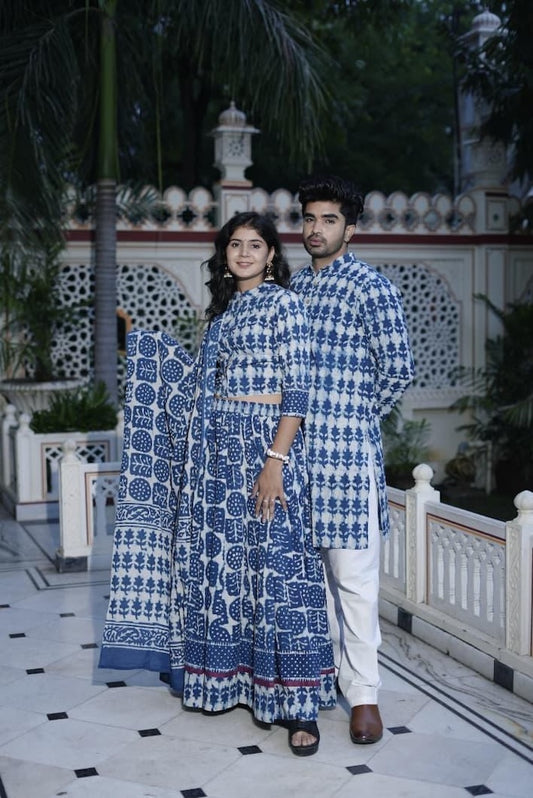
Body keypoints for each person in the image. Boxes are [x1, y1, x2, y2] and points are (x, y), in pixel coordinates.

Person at [99, 211, 336, 756]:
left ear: (272, 255)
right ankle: (232, 683)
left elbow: (298, 392)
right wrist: (151, 354)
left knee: (280, 572)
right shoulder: (222, 315)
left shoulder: (284, 305)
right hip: (216, 460)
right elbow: (200, 389)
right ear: (224, 255)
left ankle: (299, 706)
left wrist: (275, 461)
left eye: (255, 244)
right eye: (235, 244)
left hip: (267, 451)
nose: (245, 253)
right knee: (229, 572)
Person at [291, 175, 414, 745]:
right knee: (309, 580)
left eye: (329, 220)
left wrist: (353, 419)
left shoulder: (371, 288)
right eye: (309, 218)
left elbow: (398, 370)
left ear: (351, 228)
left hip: (346, 461)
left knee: (355, 582)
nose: (316, 229)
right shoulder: (292, 288)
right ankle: (318, 679)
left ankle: (364, 696)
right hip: (293, 460)